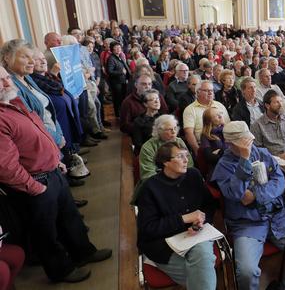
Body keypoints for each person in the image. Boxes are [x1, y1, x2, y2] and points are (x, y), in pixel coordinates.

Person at [0, 66, 111, 283]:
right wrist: (34, 186)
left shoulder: (14, 103)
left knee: (70, 218)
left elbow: (38, 134)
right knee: (46, 232)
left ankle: (83, 253)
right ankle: (61, 270)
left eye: (6, 78)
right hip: (35, 182)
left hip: (52, 172)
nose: (7, 82)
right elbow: (6, 167)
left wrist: (56, 161)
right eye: (1, 81)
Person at [213, 121, 285, 289]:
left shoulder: (263, 153)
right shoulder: (224, 166)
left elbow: (279, 181)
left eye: (249, 140)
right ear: (230, 144)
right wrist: (244, 161)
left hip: (277, 217)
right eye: (244, 143)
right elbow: (238, 194)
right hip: (247, 224)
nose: (250, 145)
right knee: (246, 272)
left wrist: (256, 195)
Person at [135, 141, 218, 290]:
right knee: (204, 270)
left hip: (195, 236)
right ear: (165, 162)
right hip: (163, 244)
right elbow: (148, 228)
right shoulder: (150, 188)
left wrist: (200, 221)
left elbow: (209, 205)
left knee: (202, 258)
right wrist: (184, 219)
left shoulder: (194, 175)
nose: (186, 160)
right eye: (180, 156)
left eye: (186, 155)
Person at [138, 115, 193, 184]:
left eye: (175, 128)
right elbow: (148, 174)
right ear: (159, 131)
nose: (174, 132)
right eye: (170, 129)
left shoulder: (179, 142)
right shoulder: (148, 147)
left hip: (180, 181)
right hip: (158, 184)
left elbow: (189, 164)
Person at [183, 80, 230, 157]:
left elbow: (228, 125)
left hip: (225, 143)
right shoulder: (190, 109)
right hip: (204, 146)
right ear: (197, 92)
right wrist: (198, 151)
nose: (210, 92)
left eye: (211, 90)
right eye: (206, 90)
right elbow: (189, 133)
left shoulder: (219, 105)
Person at [250, 90, 285, 159]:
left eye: (281, 101)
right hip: (272, 163)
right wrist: (277, 158)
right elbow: (257, 152)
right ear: (267, 106)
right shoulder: (257, 126)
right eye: (276, 102)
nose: (281, 105)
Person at [132, 89, 162, 154]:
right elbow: (138, 144)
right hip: (149, 153)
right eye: (152, 100)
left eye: (157, 98)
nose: (157, 101)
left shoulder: (165, 117)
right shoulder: (138, 121)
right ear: (145, 104)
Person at [106, 42, 130, 117]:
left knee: (123, 98)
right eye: (116, 48)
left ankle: (122, 113)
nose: (118, 49)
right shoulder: (111, 58)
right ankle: (118, 114)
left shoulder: (120, 56)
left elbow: (126, 68)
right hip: (116, 82)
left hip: (122, 81)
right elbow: (109, 71)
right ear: (112, 49)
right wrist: (121, 72)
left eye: (119, 47)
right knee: (117, 99)